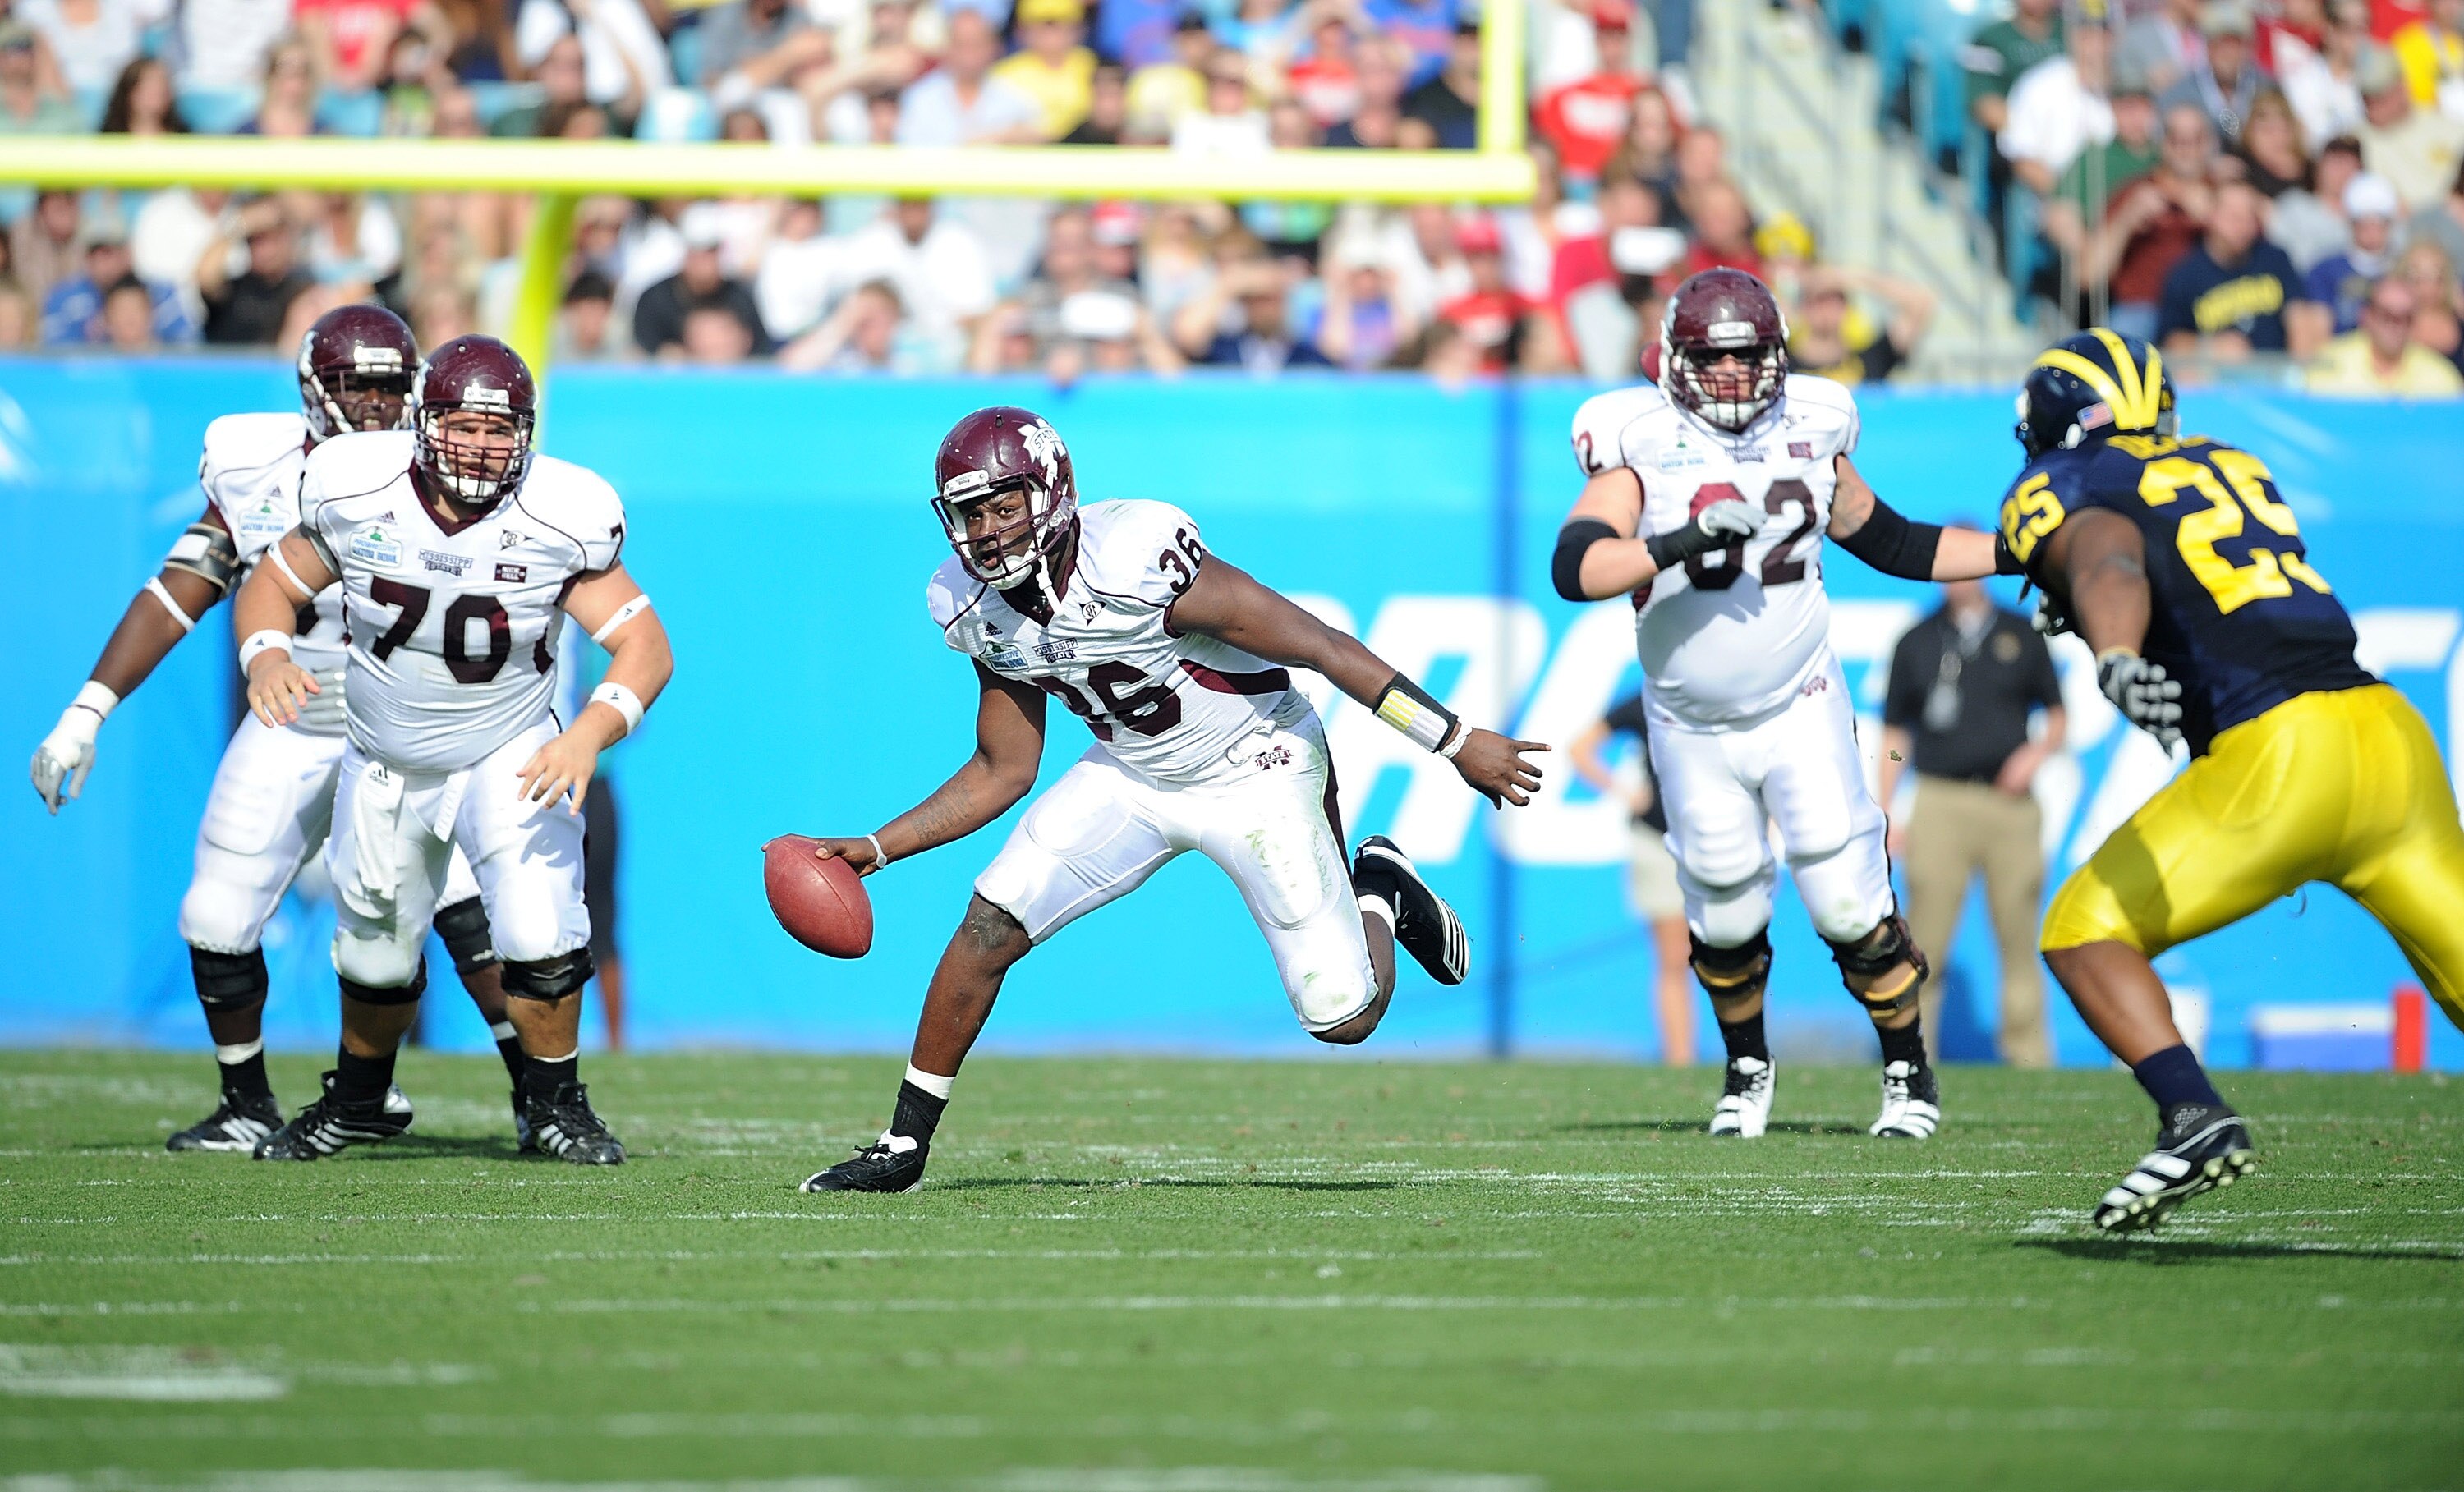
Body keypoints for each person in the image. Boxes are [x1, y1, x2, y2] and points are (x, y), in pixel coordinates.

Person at [788, 406, 1546, 1192]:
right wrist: (877, 847)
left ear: (1052, 491)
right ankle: (902, 1147)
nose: (986, 531)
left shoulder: (1138, 555)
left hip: (1258, 762)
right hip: (1131, 771)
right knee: (990, 922)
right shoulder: (971, 604)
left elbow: (1321, 646)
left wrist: (1455, 741)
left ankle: (1379, 892)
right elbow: (1003, 767)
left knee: (1344, 1016)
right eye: (970, 513)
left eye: (1004, 505)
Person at [28, 307, 530, 1154]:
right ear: (313, 387)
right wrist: (87, 711)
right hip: (296, 716)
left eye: (387, 384)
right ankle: (247, 1102)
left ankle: (539, 1097)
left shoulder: (441, 471)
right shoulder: (254, 466)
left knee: (462, 912)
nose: (373, 403)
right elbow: (182, 585)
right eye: (356, 384)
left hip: (409, 720)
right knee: (217, 912)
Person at [1997, 328, 2464, 1230]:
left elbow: (2103, 547)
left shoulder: (2069, 483)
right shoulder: (2228, 464)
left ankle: (2193, 1115)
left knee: (2083, 926)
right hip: (2389, 736)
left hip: (2283, 753)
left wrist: (2117, 651)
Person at [1553, 269, 2016, 1141]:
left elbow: (1894, 540)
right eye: (1711, 359)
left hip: (1798, 700)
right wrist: (1684, 538)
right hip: (1688, 721)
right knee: (1723, 905)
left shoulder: (1813, 423)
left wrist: (2017, 549)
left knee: (1846, 899)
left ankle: (1908, 1070)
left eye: (1746, 357)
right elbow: (1577, 565)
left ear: (1777, 356)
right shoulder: (1637, 437)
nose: (1730, 376)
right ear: (1676, 360)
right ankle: (1747, 1067)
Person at [232, 335, 674, 1164]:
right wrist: (267, 653)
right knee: (374, 953)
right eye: (463, 426)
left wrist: (589, 731)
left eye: (499, 430)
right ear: (423, 422)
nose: (480, 446)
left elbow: (646, 644)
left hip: (509, 748)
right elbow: (273, 582)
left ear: (528, 435)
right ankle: (360, 1099)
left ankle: (556, 1107)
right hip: (384, 756)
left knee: (543, 934)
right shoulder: (356, 487)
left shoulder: (559, 513)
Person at [1878, 560, 2066, 1068]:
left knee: (2019, 936)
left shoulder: (2018, 633)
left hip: (2010, 807)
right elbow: (1896, 738)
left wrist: (2035, 755)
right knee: (1925, 940)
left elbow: (2057, 716)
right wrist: (1889, 800)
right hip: (1940, 799)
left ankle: (2029, 1059)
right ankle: (1915, 1058)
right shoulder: (1917, 640)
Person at [1567, 691, 1694, 1067]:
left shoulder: (1718, 693)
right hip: (1659, 839)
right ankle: (1680, 1060)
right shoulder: (1647, 700)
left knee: (1735, 951)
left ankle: (1745, 1056)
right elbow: (1580, 749)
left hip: (1719, 837)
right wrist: (1625, 793)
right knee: (1675, 956)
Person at [2155, 178, 2310, 358]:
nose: (2242, 226)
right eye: (2233, 217)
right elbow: (2170, 342)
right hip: (2218, 380)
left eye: (2249, 217)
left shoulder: (2275, 259)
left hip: (2275, 376)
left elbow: (2298, 314)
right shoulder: (2185, 274)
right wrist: (2211, 347)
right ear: (2212, 215)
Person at [2305, 273, 2464, 389]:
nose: (2395, 325)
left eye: (2405, 318)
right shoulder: (2327, 364)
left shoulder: (2441, 377)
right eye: (2387, 315)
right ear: (2367, 316)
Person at [1788, 266, 1934, 386]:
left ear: (1846, 307)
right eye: (1819, 301)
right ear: (1803, 308)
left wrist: (1848, 277)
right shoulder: (1785, 366)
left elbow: (1921, 302)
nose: (1827, 310)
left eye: (1835, 301)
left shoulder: (1870, 358)